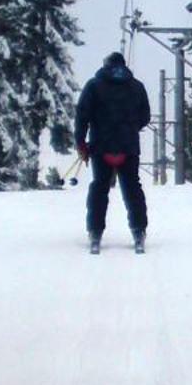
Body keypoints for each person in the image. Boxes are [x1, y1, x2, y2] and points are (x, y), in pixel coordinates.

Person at [74, 50, 151, 255]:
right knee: (132, 188)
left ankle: (95, 231)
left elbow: (82, 115)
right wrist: (130, 128)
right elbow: (145, 117)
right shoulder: (137, 87)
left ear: (105, 65)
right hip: (128, 146)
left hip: (101, 145)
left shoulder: (93, 85)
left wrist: (81, 142)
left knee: (99, 188)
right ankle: (138, 230)